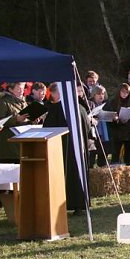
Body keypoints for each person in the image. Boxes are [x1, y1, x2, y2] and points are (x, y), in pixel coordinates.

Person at [42, 83, 91, 213]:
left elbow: (48, 128)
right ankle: (80, 204)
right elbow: (88, 127)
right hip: (79, 149)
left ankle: (67, 203)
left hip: (64, 149)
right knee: (78, 174)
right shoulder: (80, 107)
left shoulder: (59, 108)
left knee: (67, 175)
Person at [0, 82, 30, 164]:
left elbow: (25, 121)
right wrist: (16, 119)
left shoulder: (23, 102)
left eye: (23, 88)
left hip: (22, 146)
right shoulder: (2, 102)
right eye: (19, 88)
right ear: (10, 89)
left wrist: (33, 120)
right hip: (8, 148)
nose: (22, 91)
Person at [105, 83, 130, 165]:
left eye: (127, 92)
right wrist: (116, 120)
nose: (125, 94)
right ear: (119, 92)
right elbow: (108, 119)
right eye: (123, 92)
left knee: (127, 157)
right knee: (115, 157)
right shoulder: (112, 103)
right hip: (117, 134)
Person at [90, 85, 111, 167]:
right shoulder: (90, 104)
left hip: (104, 134)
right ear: (94, 94)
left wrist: (114, 117)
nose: (101, 95)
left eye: (102, 93)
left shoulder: (106, 104)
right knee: (92, 156)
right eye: (98, 94)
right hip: (94, 134)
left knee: (103, 156)